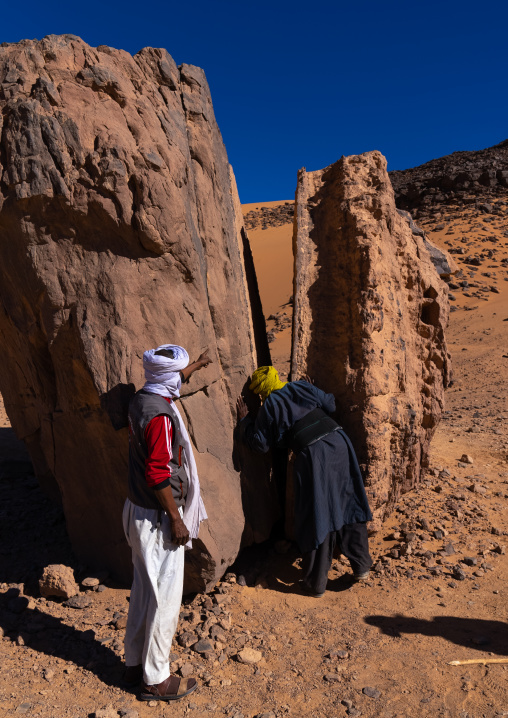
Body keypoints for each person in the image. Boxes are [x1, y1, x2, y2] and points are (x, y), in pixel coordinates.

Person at [236, 366, 372, 597]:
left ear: (261, 393)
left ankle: (316, 584)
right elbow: (330, 404)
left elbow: (261, 444)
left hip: (313, 455)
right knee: (348, 501)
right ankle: (362, 566)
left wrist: (244, 423)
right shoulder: (300, 386)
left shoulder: (268, 407)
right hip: (339, 443)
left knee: (317, 515)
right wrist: (313, 388)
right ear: (277, 378)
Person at [123, 344, 209, 701]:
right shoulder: (160, 418)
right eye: (180, 375)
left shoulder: (144, 397)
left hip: (136, 511)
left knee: (145, 592)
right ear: (168, 379)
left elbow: (173, 382)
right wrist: (176, 519)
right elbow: (158, 472)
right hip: (157, 521)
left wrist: (197, 366)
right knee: (165, 600)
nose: (181, 381)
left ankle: (133, 664)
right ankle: (156, 679)